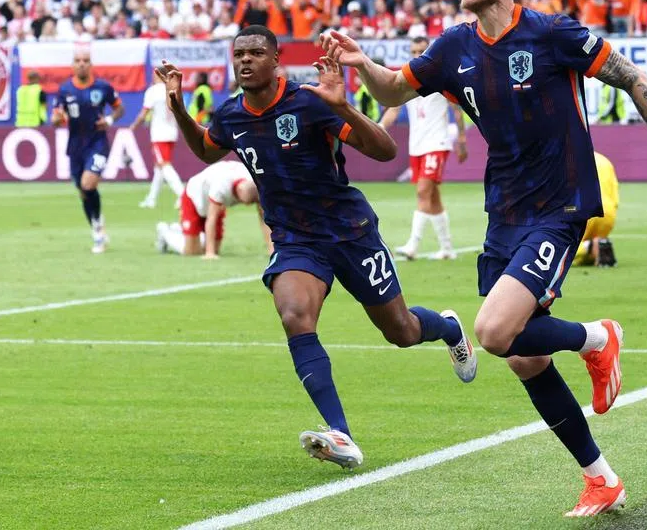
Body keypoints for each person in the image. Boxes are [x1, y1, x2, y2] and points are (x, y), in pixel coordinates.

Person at [320, 0, 647, 517]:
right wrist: (361, 67)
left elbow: (636, 78)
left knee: (494, 332)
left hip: (560, 205)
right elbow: (395, 88)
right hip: (503, 211)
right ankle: (601, 478)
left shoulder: (552, 34)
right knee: (526, 357)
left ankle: (599, 337)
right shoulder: (453, 46)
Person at [156, 25, 477, 470]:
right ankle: (339, 432)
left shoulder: (309, 102)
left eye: (255, 53)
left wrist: (342, 104)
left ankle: (447, 329)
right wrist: (177, 107)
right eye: (239, 54)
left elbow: (384, 150)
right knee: (294, 315)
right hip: (295, 239)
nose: (245, 60)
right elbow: (208, 151)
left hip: (350, 230)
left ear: (275, 59)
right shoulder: (232, 115)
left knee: (401, 331)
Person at [378, 36, 469, 261]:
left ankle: (412, 245)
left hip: (436, 143)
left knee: (423, 192)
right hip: (416, 146)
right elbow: (394, 109)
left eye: (421, 50)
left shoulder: (439, 77)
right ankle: (447, 248)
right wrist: (379, 128)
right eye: (414, 51)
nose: (417, 55)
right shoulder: (406, 80)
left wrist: (462, 140)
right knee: (433, 197)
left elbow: (456, 109)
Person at [51, 49, 125, 254]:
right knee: (83, 192)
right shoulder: (65, 89)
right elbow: (57, 116)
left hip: (97, 143)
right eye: (78, 61)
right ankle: (96, 226)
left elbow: (119, 108)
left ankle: (98, 232)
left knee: (88, 182)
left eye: (85, 61)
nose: (82, 64)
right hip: (75, 146)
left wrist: (109, 120)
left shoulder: (102, 87)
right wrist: (56, 119)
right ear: (72, 65)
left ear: (91, 65)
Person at [154, 161, 268, 257]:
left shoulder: (256, 186)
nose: (246, 205)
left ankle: (189, 233)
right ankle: (165, 231)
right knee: (192, 251)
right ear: (238, 193)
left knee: (215, 248)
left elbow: (265, 218)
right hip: (194, 198)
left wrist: (272, 249)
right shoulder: (222, 185)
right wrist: (210, 253)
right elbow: (211, 218)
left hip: (218, 204)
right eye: (244, 202)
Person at [134, 69, 185, 208]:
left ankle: (183, 195)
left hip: (159, 133)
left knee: (164, 165)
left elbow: (144, 113)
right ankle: (151, 199)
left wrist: (133, 127)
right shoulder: (172, 90)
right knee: (159, 168)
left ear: (158, 75)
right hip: (172, 132)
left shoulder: (153, 91)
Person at [573, 151, 619, 268]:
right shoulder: (605, 161)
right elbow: (615, 194)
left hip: (582, 211)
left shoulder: (569, 158)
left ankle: (587, 247)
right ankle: (598, 247)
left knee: (560, 248)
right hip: (607, 214)